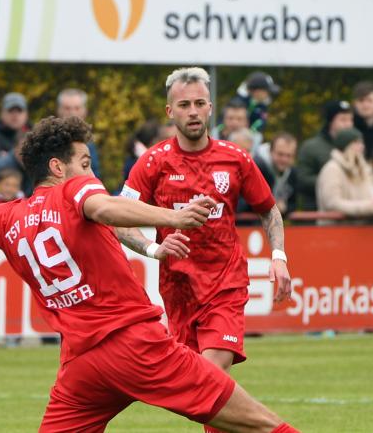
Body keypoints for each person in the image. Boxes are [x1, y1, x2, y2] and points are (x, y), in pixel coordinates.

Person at [0, 115, 298, 433]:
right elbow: (104, 207)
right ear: (58, 167)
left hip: (83, 366)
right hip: (136, 345)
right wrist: (174, 216)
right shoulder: (75, 189)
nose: (92, 172)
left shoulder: (1, 217)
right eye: (85, 162)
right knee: (257, 423)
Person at [116, 68, 292, 420]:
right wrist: (154, 250)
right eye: (184, 105)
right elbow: (120, 218)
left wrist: (278, 256)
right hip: (178, 291)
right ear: (170, 112)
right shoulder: (153, 162)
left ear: (210, 108)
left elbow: (268, 209)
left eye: (199, 103)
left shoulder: (236, 158)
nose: (193, 111)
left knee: (211, 375)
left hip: (225, 286)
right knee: (200, 390)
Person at [296, 100, 353, 210]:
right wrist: (332, 182)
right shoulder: (311, 147)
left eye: (350, 120)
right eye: (343, 120)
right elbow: (302, 180)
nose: (348, 124)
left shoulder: (355, 147)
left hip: (349, 215)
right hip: (316, 213)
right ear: (331, 121)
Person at [316, 128, 373, 220]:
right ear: (345, 146)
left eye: (361, 143)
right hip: (333, 230)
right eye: (356, 143)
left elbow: (369, 196)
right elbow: (332, 203)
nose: (361, 147)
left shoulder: (362, 169)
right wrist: (365, 207)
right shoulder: (332, 169)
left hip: (358, 228)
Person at [56, 88, 102, 179]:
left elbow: (95, 175)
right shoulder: (48, 141)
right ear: (59, 110)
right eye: (67, 108)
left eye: (77, 108)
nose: (72, 113)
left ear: (85, 111)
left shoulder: (90, 143)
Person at [256, 132, 298, 216]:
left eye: (289, 155)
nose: (284, 159)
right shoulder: (257, 168)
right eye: (280, 154)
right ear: (270, 152)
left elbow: (293, 203)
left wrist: (285, 207)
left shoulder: (293, 173)